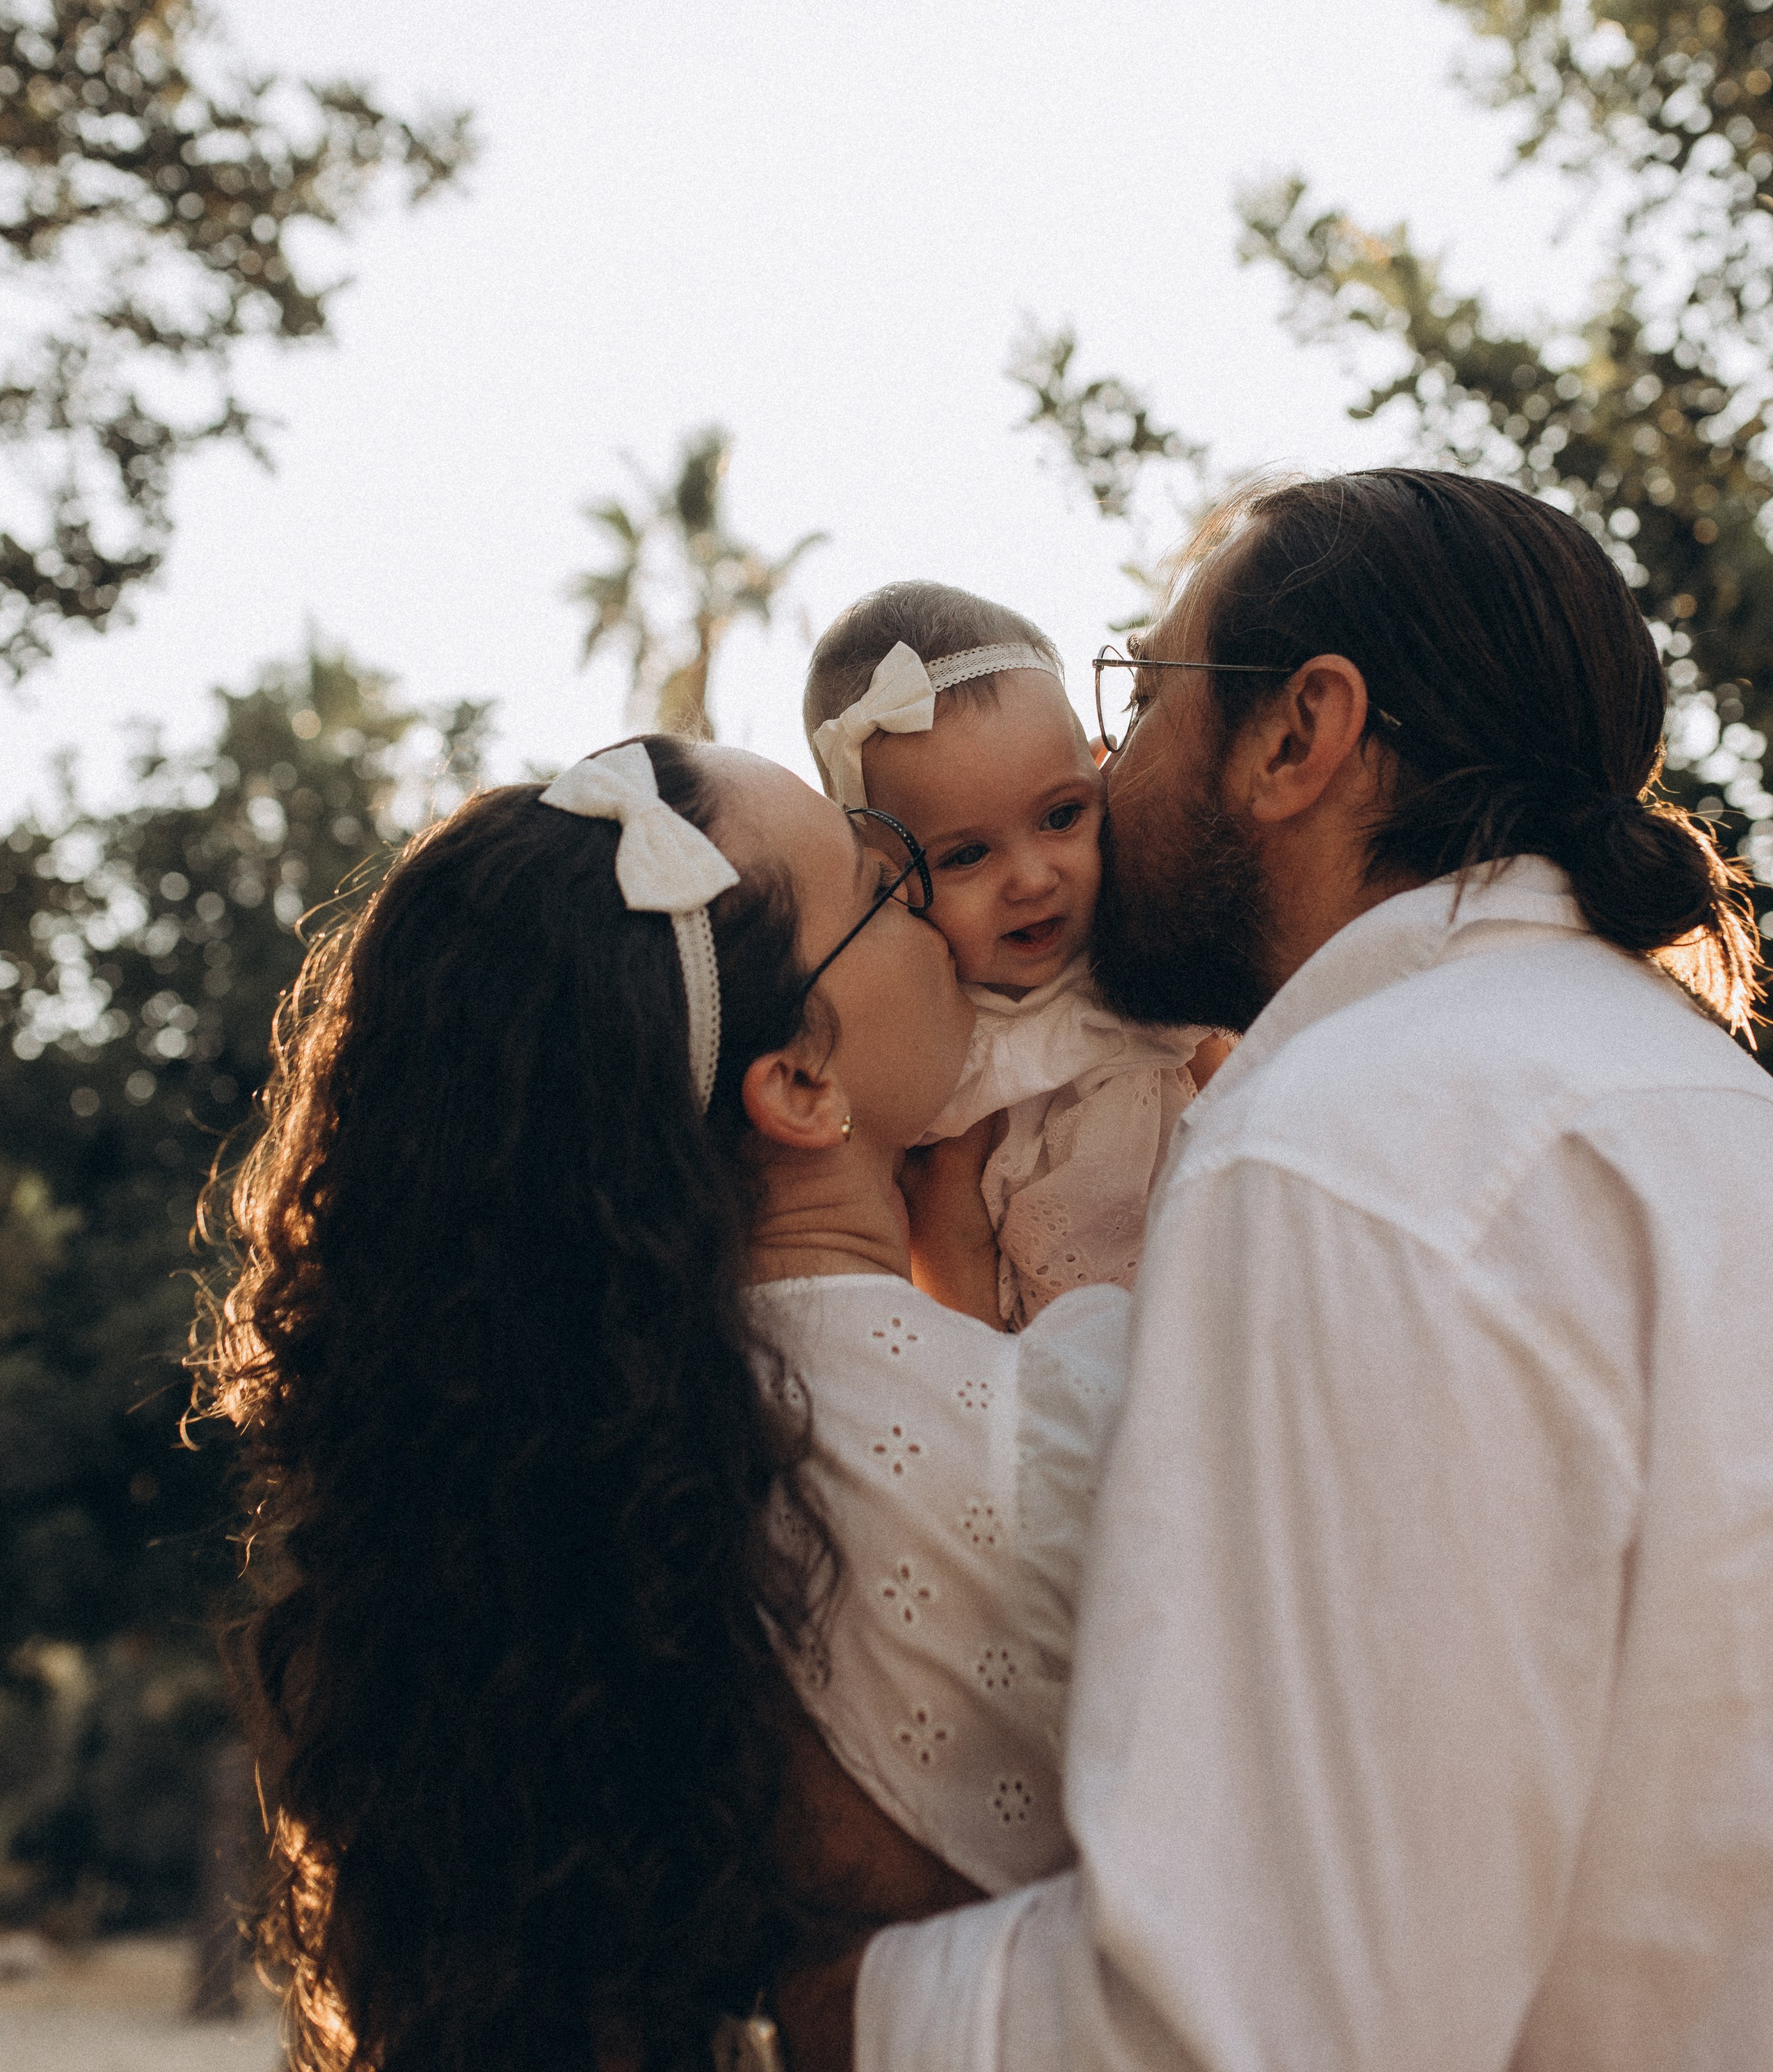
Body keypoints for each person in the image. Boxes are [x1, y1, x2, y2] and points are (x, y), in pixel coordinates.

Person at [779, 469, 1773, 2072]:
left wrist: (836, 2008)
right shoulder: (1712, 1112)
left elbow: (1260, 2020)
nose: (1107, 764)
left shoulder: (1330, 1151)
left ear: (1298, 733)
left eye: (1141, 687)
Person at [195, 733, 1133, 2070]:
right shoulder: (1058, 1419)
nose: (941, 909)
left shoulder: (557, 1507)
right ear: (800, 1085)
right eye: (886, 885)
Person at [805, 584, 1226, 1326]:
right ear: (885, 877)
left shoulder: (1142, 962)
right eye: (966, 855)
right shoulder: (927, 1061)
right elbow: (934, 1276)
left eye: (1061, 816)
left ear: (1100, 773)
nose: (1033, 879)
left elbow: (1234, 1097)